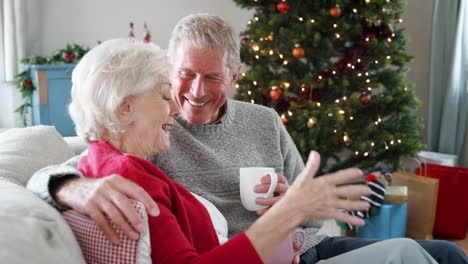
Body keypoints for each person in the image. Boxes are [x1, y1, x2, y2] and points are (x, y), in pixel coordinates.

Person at [27, 14, 467, 264]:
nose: (194, 93)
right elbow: (75, 163)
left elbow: (308, 214)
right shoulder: (148, 133)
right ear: (168, 71)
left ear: (234, 77)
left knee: (445, 254)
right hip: (249, 257)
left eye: (212, 77)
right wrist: (71, 186)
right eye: (183, 77)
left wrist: (288, 205)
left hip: (302, 249)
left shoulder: (263, 120)